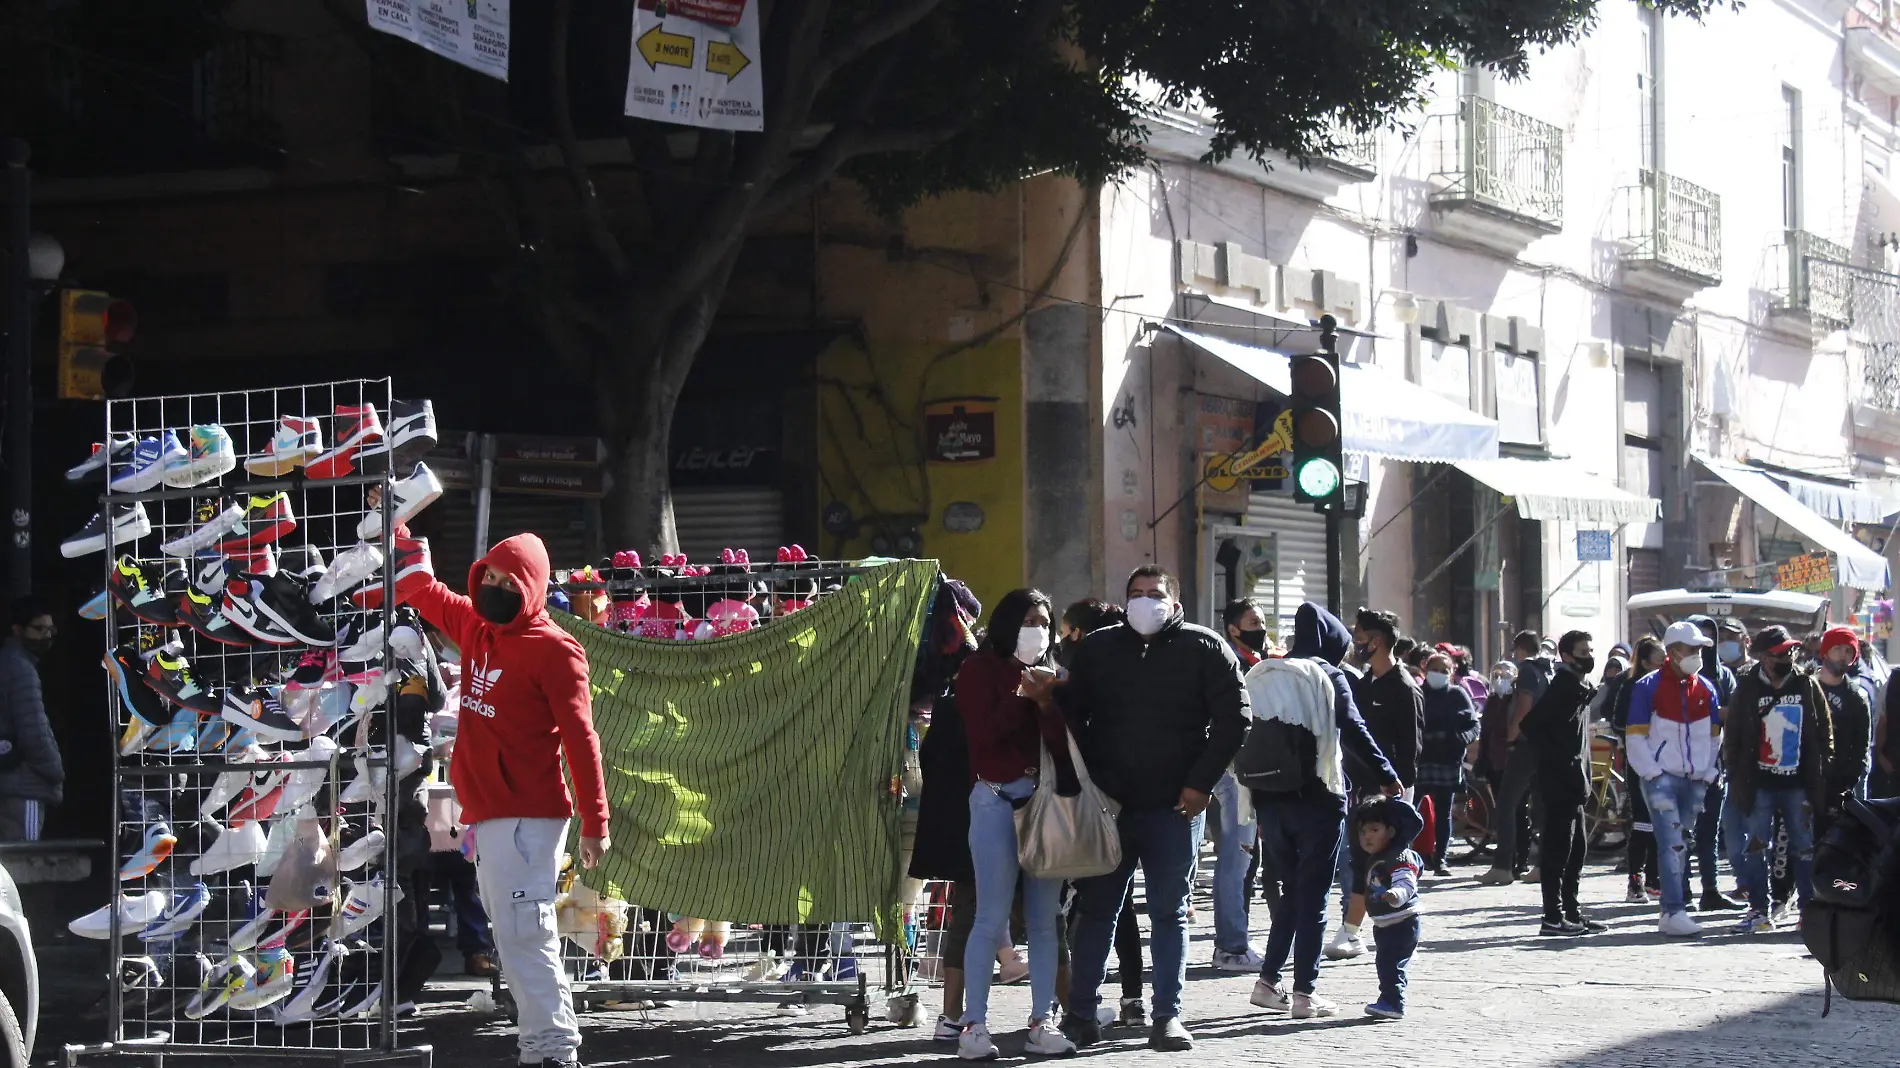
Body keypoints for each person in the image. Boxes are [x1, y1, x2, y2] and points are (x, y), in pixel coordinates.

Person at [404, 531, 609, 1068]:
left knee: (524, 935)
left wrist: (596, 820)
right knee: (516, 936)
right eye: (487, 578)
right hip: (495, 816)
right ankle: (540, 1047)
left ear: (532, 587)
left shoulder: (557, 649)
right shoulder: (477, 626)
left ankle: (553, 1052)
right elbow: (424, 591)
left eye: (506, 581)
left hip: (529, 816)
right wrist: (398, 533)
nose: (493, 588)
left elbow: (581, 737)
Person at [1054, 566, 1248, 1053]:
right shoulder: (1098, 649)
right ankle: (1080, 1013)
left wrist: (1200, 783)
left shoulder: (1206, 649)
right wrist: (1085, 780)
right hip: (1110, 806)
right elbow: (1073, 715)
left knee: (1169, 912)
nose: (1145, 602)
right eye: (1136, 594)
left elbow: (1234, 719)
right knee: (1097, 910)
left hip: (1175, 807)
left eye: (1154, 594)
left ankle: (1167, 1016)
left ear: (1174, 601)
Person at [1244, 603, 1400, 1021]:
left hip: (1269, 798)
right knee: (1313, 897)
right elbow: (1354, 729)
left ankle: (1267, 981)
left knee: (1291, 893)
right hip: (1317, 799)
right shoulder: (1329, 675)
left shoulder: (1266, 673)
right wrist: (1387, 775)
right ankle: (1304, 993)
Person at [949, 588, 1076, 1060]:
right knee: (991, 916)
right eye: (1027, 619)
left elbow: (1065, 747)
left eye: (1043, 620)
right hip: (994, 800)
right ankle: (973, 1025)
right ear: (1007, 624)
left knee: (1045, 922)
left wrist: (1047, 702)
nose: (1037, 629)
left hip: (1044, 805)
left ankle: (1043, 1021)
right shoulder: (979, 671)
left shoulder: (1056, 674)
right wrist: (1025, 696)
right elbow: (985, 738)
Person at [1723, 625, 1833, 935]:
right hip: (1758, 785)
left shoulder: (1806, 685)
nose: (1788, 656)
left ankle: (1808, 912)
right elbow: (1732, 735)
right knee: (1756, 846)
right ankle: (1759, 910)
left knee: (1804, 846)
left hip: (1798, 785)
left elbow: (1824, 731)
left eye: (1791, 651)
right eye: (1780, 653)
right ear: (1763, 657)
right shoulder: (1746, 687)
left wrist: (1821, 768)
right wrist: (1737, 770)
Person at [1622, 622, 1723, 938]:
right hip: (1661, 777)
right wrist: (1651, 772)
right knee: (1672, 843)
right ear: (1673, 651)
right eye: (1692, 649)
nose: (1697, 654)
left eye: (1699, 649)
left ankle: (1673, 906)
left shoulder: (1706, 688)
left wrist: (1707, 773)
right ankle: (1672, 910)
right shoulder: (1647, 687)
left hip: (1694, 779)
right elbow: (1634, 736)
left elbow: (1715, 735)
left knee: (1683, 843)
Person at [1518, 630, 1599, 937]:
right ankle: (1552, 916)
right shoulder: (1564, 686)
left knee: (1577, 848)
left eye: (1589, 649)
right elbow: (1532, 725)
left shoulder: (1578, 686)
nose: (1588, 656)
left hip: (1574, 781)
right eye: (1582, 651)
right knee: (1558, 850)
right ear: (1566, 656)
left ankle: (1572, 912)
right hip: (1559, 782)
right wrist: (1558, 760)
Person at [1211, 599, 1266, 972]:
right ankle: (1231, 945)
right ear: (1233, 627)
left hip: (1234, 768)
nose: (1260, 627)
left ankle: (1234, 935)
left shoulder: (1254, 660)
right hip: (1230, 770)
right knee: (1236, 855)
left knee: (1242, 854)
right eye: (1252, 621)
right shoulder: (1232, 661)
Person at [1477, 630, 1550, 886]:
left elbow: (1524, 705)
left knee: (1506, 804)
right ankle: (1542, 865)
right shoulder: (1546, 670)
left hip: (1526, 745)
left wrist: (1512, 732)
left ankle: (1502, 865)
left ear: (1519, 650)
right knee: (1541, 808)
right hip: (1543, 745)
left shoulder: (1528, 671)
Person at [1683, 615, 1744, 913]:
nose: (1704, 647)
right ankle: (1681, 892)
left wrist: (1709, 713)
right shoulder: (1673, 674)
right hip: (1680, 764)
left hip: (1715, 762)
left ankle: (1710, 890)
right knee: (1681, 832)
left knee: (1709, 833)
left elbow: (1734, 712)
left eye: (1710, 640)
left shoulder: (1724, 677)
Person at [1351, 797, 1424, 1021]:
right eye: (1363, 832)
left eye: (1374, 829)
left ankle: (1393, 1003)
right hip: (1384, 923)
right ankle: (1389, 999)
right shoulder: (1375, 858)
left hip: (1402, 921)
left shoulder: (1399, 856)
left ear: (1391, 831)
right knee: (1385, 964)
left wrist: (1396, 895)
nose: (1367, 836)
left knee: (1392, 965)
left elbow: (1407, 881)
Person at [0, 599, 61, 841]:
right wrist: (53, 770)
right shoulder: (20, 669)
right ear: (18, 629)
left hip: (11, 781)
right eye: (39, 628)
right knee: (24, 862)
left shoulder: (11, 663)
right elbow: (33, 729)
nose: (47, 636)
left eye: (51, 629)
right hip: (24, 785)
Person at [1611, 637, 1666, 903]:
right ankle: (1636, 881)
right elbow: (1618, 722)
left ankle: (1657, 880)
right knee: (1643, 822)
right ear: (1645, 662)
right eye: (1660, 659)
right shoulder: (1632, 686)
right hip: (1639, 762)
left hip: (1667, 762)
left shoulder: (1670, 684)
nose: (1666, 663)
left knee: (1662, 821)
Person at [1416, 652, 1479, 877]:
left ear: (1452, 673)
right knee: (1412, 809)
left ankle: (1440, 858)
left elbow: (1473, 725)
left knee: (1444, 812)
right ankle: (1410, 857)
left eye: (1445, 671)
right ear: (1425, 669)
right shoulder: (1418, 694)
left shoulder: (1458, 695)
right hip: (1421, 760)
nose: (1440, 674)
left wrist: (1461, 739)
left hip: (1448, 759)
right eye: (1435, 669)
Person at [1815, 627, 1873, 810]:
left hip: (1840, 783)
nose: (1843, 655)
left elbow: (1861, 744)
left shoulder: (1856, 697)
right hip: (1803, 782)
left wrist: (1849, 780)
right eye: (1837, 648)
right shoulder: (1805, 687)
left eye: (1848, 651)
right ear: (1825, 652)